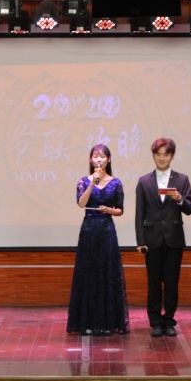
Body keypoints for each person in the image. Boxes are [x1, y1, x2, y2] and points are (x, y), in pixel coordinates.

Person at [134, 136, 191, 337]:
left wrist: (180, 199)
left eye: (166, 155)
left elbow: (190, 209)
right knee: (153, 284)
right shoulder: (144, 181)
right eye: (158, 154)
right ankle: (155, 322)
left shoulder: (182, 180)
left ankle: (169, 320)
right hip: (152, 240)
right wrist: (140, 241)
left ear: (172, 156)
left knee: (171, 283)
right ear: (153, 156)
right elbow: (139, 214)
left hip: (174, 239)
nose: (161, 158)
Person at [66, 143, 128, 335]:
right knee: (88, 273)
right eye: (95, 156)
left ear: (109, 160)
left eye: (102, 156)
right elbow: (81, 203)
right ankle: (87, 321)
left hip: (107, 230)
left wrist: (109, 210)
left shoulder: (116, 183)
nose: (99, 159)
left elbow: (120, 210)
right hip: (89, 230)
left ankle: (108, 322)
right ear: (91, 160)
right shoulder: (84, 181)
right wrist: (93, 182)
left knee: (107, 273)